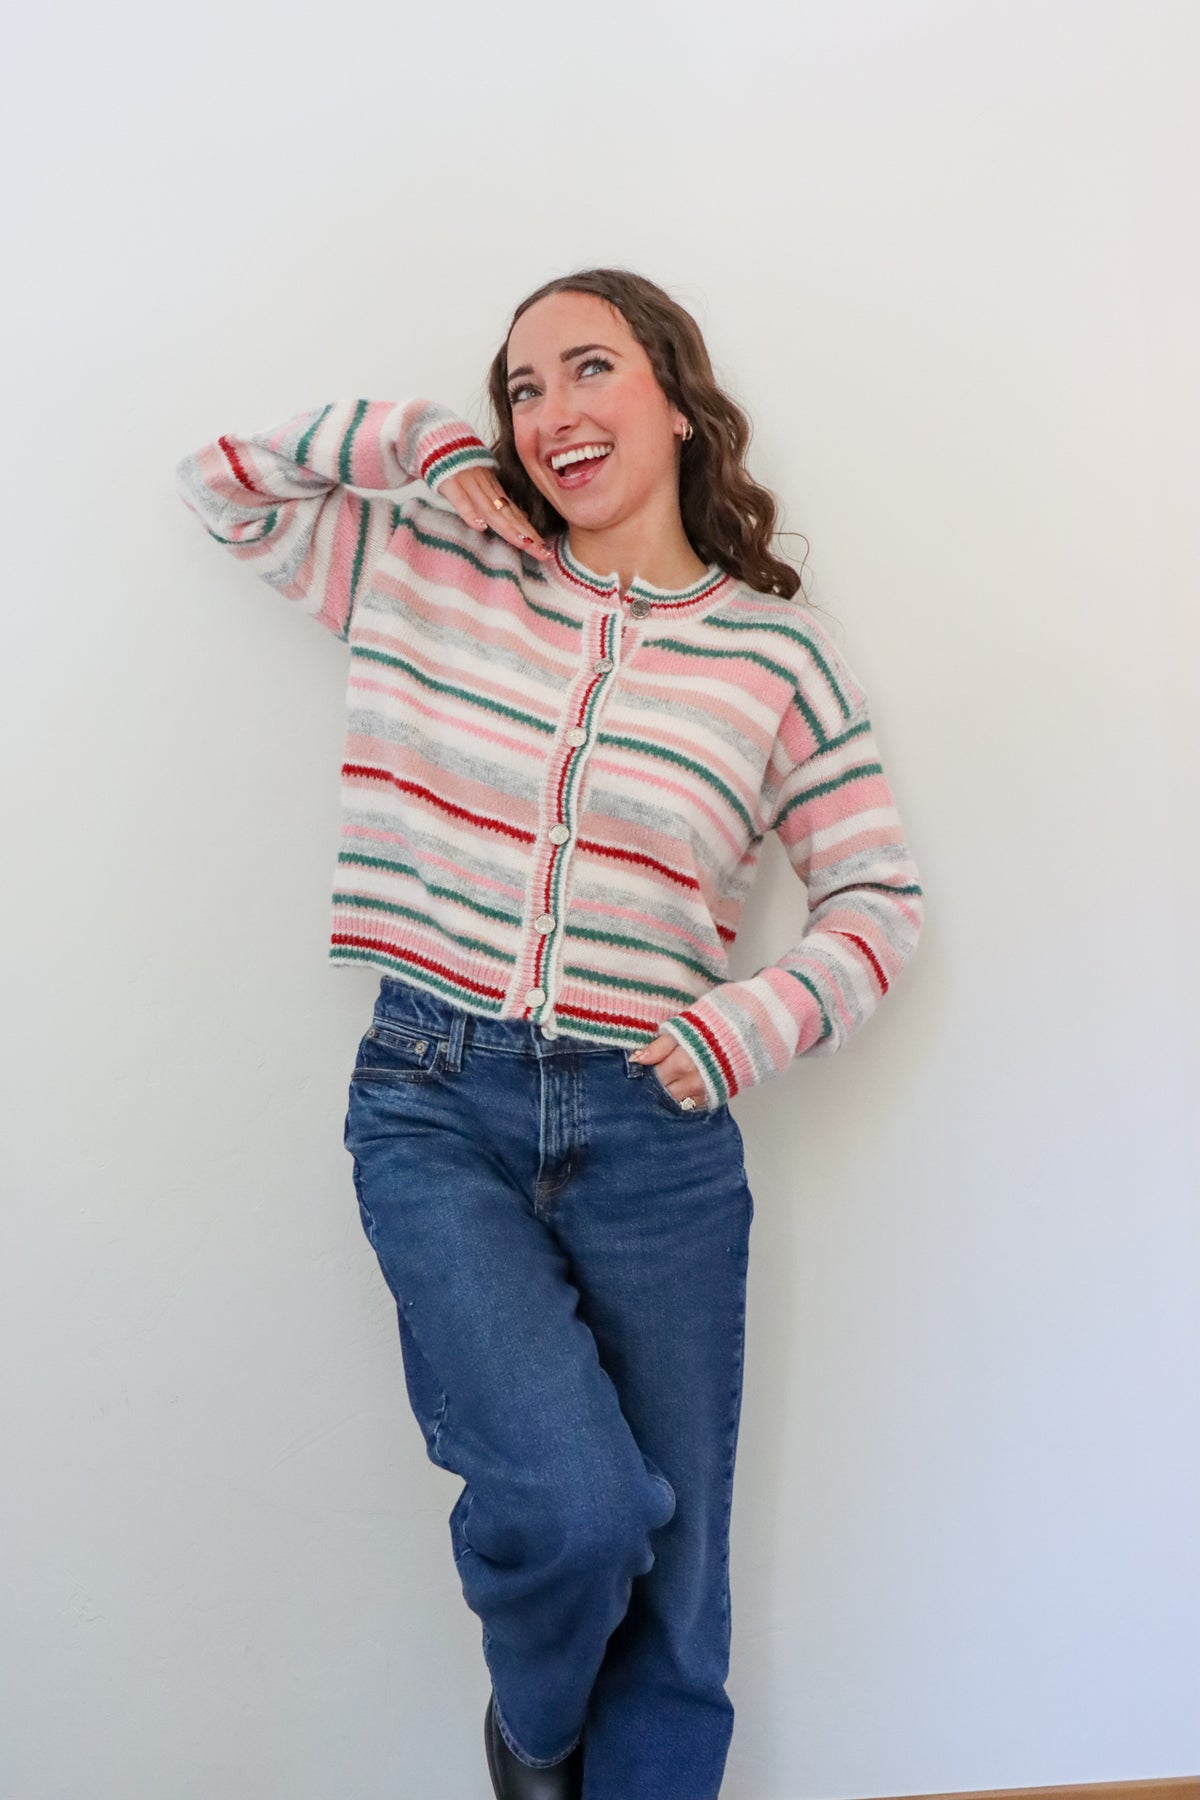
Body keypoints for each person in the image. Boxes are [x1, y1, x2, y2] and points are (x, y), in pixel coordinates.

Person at [174, 266, 924, 1800]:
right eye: (522, 388)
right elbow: (229, 486)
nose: (553, 413)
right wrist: (428, 449)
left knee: (682, 1586)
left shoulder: (779, 655)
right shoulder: (440, 564)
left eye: (590, 370)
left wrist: (748, 1026)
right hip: (434, 1102)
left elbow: (877, 901)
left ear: (675, 394)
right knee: (579, 1510)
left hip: (658, 1127)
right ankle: (534, 1741)